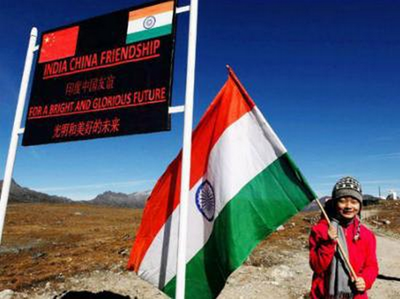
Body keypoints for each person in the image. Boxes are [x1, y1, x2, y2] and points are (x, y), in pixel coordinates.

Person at [309, 176, 379, 299]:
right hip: (324, 295)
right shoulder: (320, 230)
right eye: (342, 200)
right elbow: (317, 267)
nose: (348, 206)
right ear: (335, 203)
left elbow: (371, 265)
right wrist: (328, 242)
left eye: (354, 201)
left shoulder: (367, 235)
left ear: (360, 205)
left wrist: (366, 280)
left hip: (355, 295)